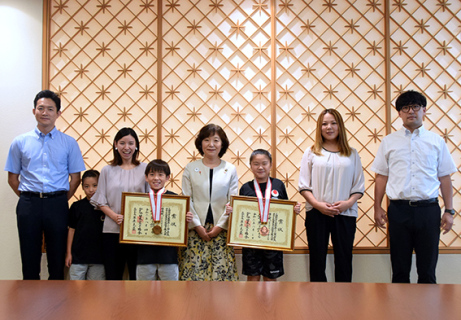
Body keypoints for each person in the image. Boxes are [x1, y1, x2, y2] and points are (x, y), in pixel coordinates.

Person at [371, 90, 457, 284]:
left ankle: (426, 314)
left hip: (429, 210)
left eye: (415, 106)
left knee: (427, 271)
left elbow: (445, 178)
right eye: (405, 107)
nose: (411, 111)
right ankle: (399, 313)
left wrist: (449, 211)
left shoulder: (436, 141)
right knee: (400, 271)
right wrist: (377, 207)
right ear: (399, 113)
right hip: (399, 211)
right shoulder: (389, 141)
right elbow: (381, 176)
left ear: (424, 110)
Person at [5, 89, 86, 280]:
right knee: (29, 255)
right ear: (34, 111)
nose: (45, 112)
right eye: (41, 108)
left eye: (50, 109)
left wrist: (58, 199)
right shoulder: (20, 142)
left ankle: (56, 304)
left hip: (57, 204)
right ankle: (30, 302)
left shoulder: (69, 143)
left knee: (56, 257)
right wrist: (29, 198)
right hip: (28, 204)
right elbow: (12, 178)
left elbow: (75, 178)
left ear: (58, 113)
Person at [299, 109, 365, 282]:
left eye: (333, 123)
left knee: (344, 260)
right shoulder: (312, 152)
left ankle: (343, 303)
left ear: (340, 126)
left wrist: (347, 203)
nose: (329, 127)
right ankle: (318, 303)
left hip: (345, 213)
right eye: (324, 123)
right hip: (316, 213)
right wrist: (318, 204)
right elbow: (304, 185)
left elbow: (358, 186)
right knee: (317, 259)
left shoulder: (352, 153)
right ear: (319, 128)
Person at [228, 149, 301, 281]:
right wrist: (232, 212)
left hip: (273, 240)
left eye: (264, 163)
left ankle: (271, 303)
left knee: (270, 279)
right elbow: (241, 215)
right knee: (253, 278)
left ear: (270, 165)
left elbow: (286, 211)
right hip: (251, 242)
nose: (260, 167)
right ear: (250, 166)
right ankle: (252, 303)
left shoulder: (278, 185)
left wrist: (294, 211)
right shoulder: (246, 188)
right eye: (256, 164)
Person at [179, 124, 239, 281]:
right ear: (200, 143)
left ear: (222, 144)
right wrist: (197, 226)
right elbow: (187, 198)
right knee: (194, 276)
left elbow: (232, 202)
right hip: (195, 230)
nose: (211, 144)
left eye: (216, 140)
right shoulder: (191, 168)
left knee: (221, 276)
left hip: (221, 231)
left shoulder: (230, 169)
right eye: (206, 140)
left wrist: (219, 227)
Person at [91, 127, 148, 280]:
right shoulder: (107, 170)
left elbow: (152, 199)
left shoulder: (145, 169)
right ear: (115, 144)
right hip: (112, 231)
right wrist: (115, 216)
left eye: (130, 143)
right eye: (122, 143)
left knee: (137, 278)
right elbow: (100, 200)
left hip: (138, 232)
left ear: (136, 145)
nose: (126, 147)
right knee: (113, 276)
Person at [137, 159, 193, 281]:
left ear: (167, 177)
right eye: (152, 174)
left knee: (170, 295)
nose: (156, 178)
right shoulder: (138, 200)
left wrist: (186, 220)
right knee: (143, 294)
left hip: (168, 256)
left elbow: (181, 228)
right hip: (144, 256)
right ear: (146, 177)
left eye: (160, 174)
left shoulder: (175, 199)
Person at [65, 170, 105, 280]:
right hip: (78, 258)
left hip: (98, 258)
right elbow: (71, 230)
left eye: (95, 185)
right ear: (82, 187)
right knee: (75, 290)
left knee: (96, 292)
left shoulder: (105, 208)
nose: (91, 189)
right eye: (87, 186)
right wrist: (69, 253)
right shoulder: (76, 206)